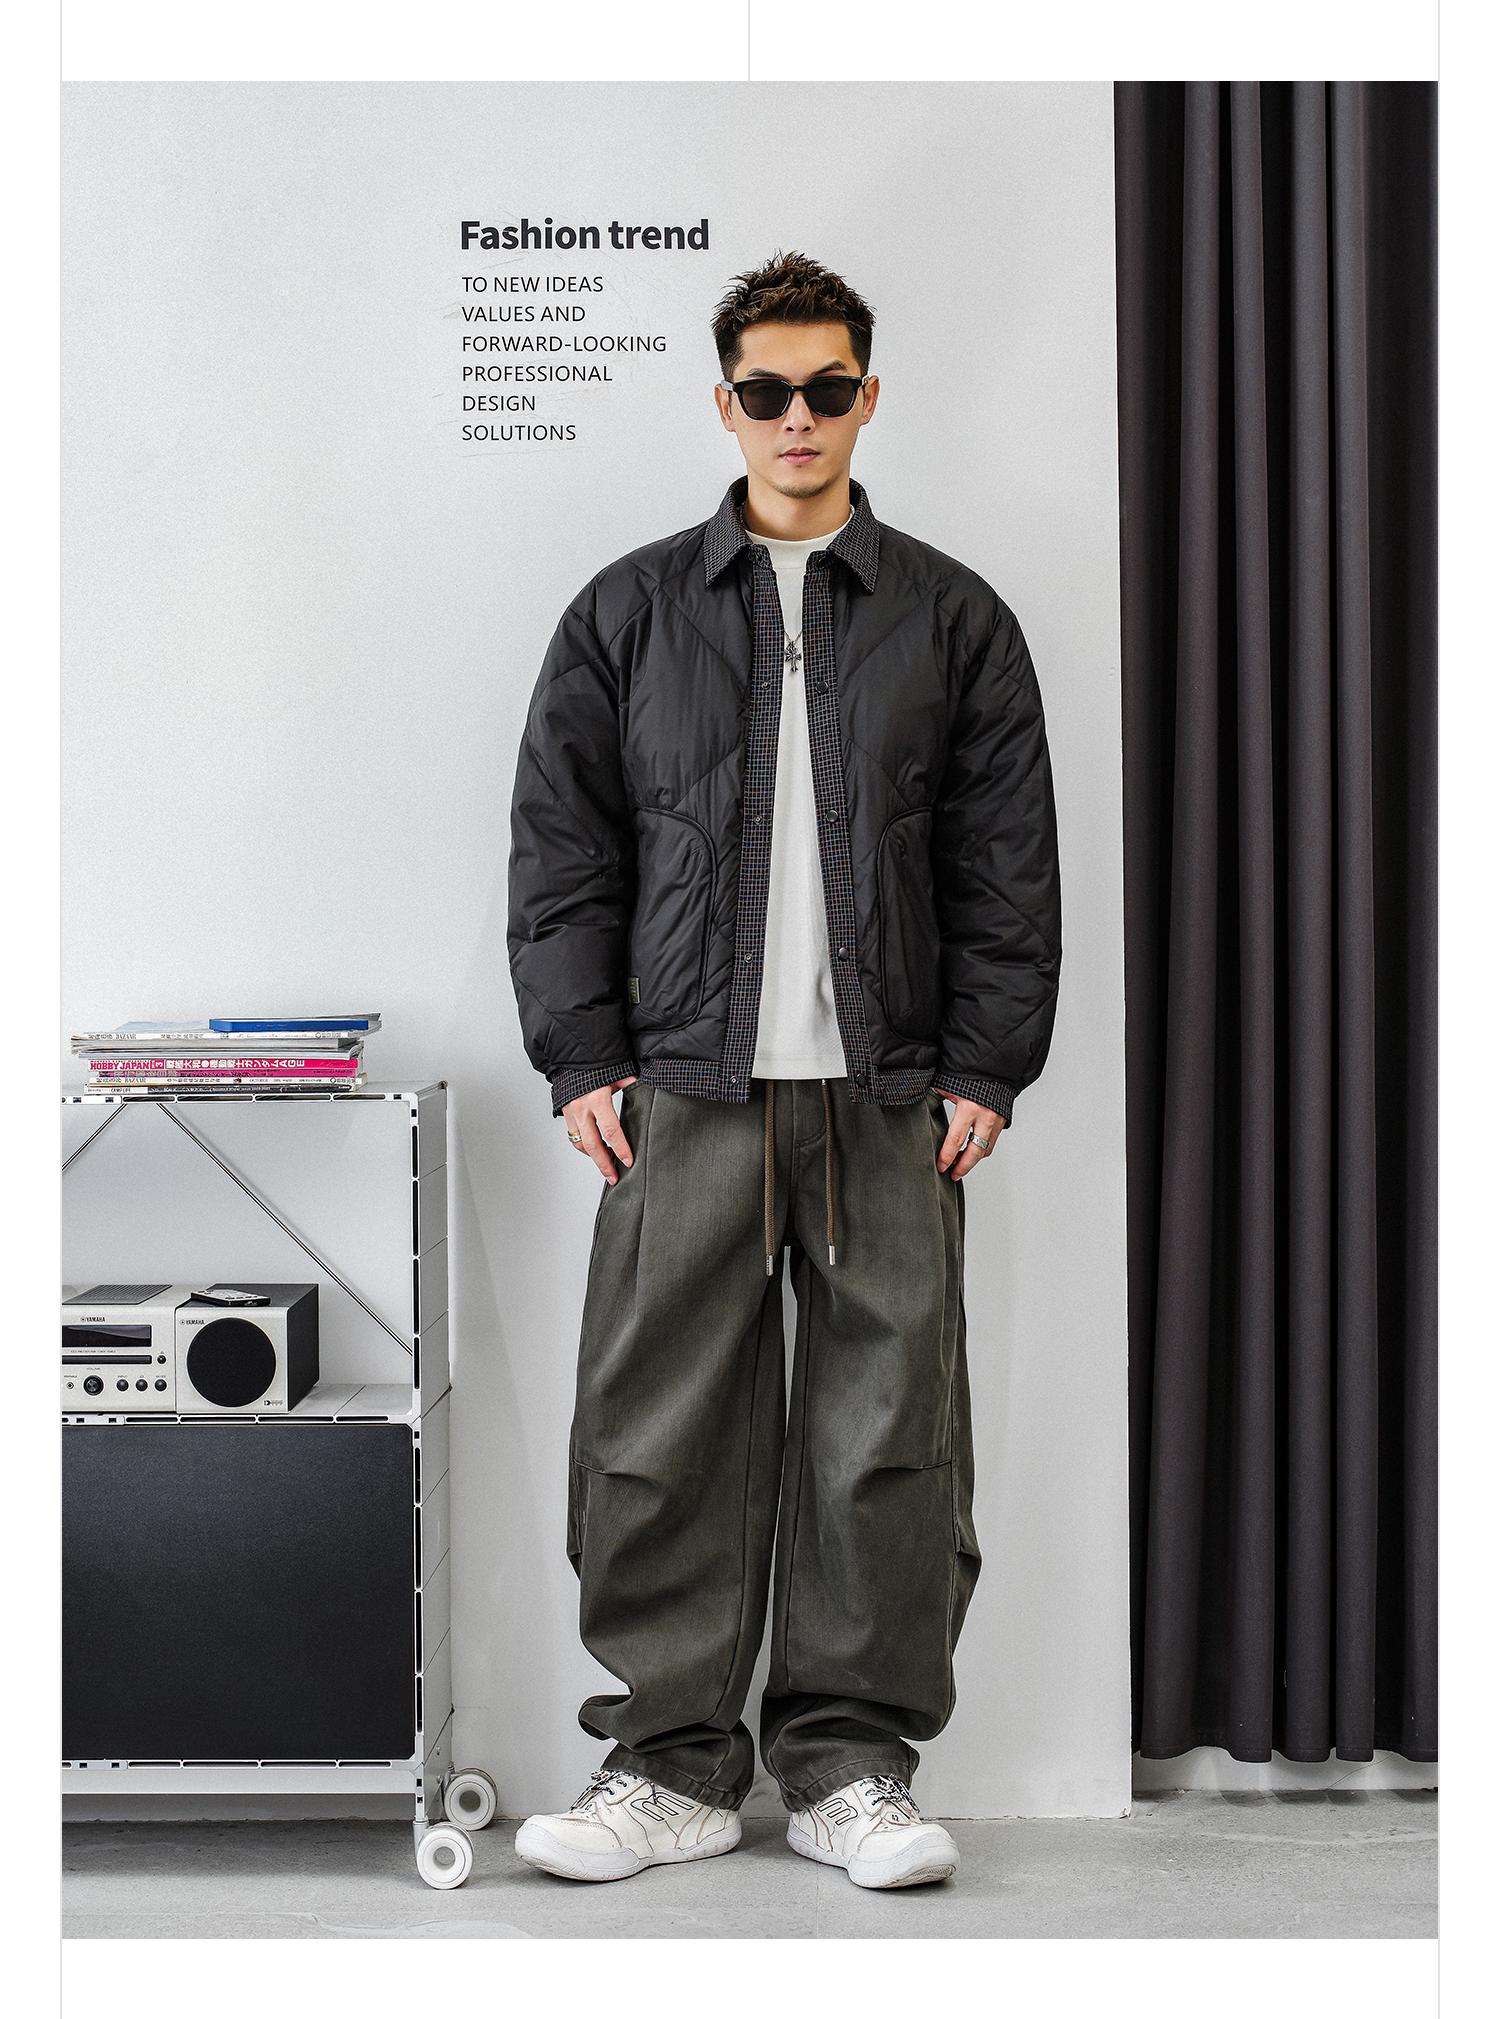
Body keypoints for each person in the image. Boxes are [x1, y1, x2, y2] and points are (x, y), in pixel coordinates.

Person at [506, 251, 1061, 1890]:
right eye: (766, 391)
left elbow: (1006, 866)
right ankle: (666, 1768)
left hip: (894, 1097)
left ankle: (851, 1771)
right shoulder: (627, 613)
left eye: (826, 389)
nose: (796, 417)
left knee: (887, 1439)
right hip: (681, 1090)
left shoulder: (954, 617)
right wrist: (582, 1057)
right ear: (726, 403)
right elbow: (563, 853)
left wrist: (988, 1065)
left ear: (868, 398)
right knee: (653, 1432)